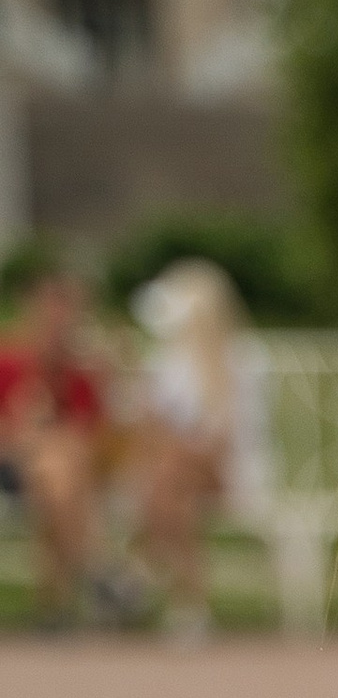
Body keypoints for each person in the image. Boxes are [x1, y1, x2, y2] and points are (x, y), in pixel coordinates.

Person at [125, 256, 245, 638]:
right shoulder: (167, 361)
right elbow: (146, 431)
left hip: (226, 472)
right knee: (173, 487)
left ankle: (141, 570)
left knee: (168, 472)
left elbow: (227, 442)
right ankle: (189, 605)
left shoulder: (242, 360)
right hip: (176, 477)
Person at [0, 260, 112, 624]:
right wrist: (23, 425)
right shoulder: (9, 362)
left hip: (61, 477)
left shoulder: (82, 372)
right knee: (58, 466)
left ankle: (56, 605)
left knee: (59, 483)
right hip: (11, 468)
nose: (58, 322)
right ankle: (97, 570)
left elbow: (94, 437)